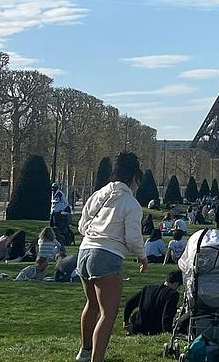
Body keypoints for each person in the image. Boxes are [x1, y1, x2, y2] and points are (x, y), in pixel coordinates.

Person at [76, 152, 148, 362]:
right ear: (133, 178)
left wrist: (95, 235)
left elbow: (82, 225)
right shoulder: (131, 203)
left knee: (91, 305)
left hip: (84, 252)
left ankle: (85, 351)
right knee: (108, 313)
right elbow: (133, 238)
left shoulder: (98, 194)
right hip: (107, 255)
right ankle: (96, 359)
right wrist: (142, 257)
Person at [123, 271, 183, 335]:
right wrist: (168, 331)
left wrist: (126, 321)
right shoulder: (172, 294)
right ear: (176, 284)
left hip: (138, 326)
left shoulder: (148, 288)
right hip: (154, 329)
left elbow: (129, 303)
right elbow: (167, 316)